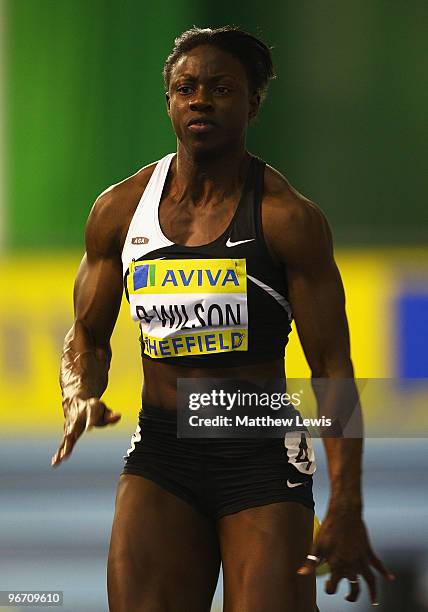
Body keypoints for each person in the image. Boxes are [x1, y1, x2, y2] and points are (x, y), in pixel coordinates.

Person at [51, 26, 395, 612]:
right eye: (186, 88)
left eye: (220, 88)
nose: (200, 100)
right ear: (169, 102)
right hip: (162, 452)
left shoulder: (287, 220)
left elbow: (333, 370)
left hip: (259, 452)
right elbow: (87, 330)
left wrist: (346, 507)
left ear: (253, 103)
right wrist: (81, 386)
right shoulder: (119, 211)